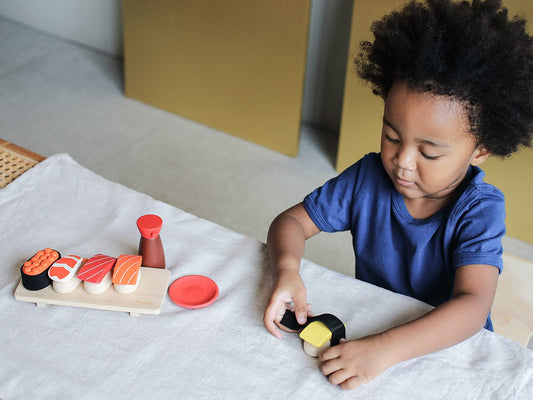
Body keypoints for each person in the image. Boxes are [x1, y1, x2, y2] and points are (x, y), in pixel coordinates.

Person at [263, 0, 533, 391]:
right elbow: (290, 222)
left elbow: (472, 308)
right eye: (391, 136)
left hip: (444, 347)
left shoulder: (480, 209)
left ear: (481, 150)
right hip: (374, 324)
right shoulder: (368, 177)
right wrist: (287, 269)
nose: (402, 162)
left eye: (429, 152)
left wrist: (384, 351)